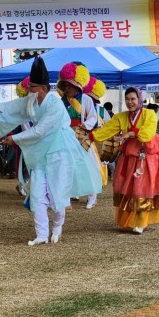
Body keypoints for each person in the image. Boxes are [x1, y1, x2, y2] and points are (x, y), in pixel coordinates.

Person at [0, 57, 101, 245]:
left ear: (44, 89)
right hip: (40, 154)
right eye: (29, 86)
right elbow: (9, 108)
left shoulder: (55, 105)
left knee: (57, 194)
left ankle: (57, 227)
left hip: (59, 151)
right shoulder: (30, 101)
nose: (29, 90)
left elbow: (41, 130)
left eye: (33, 87)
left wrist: (13, 138)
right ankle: (41, 234)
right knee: (37, 194)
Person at [90, 86, 159, 234]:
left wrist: (130, 134)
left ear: (139, 99)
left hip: (148, 156)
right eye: (127, 99)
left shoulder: (149, 114)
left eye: (133, 99)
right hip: (131, 156)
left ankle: (141, 221)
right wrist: (91, 137)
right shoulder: (121, 117)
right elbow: (107, 129)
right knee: (130, 187)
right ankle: (132, 219)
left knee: (143, 188)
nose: (130, 102)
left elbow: (147, 133)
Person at [57, 62, 101, 210]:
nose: (67, 88)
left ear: (77, 85)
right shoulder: (61, 102)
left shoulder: (87, 99)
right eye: (65, 85)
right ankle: (67, 197)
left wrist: (85, 125)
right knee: (67, 167)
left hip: (82, 136)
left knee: (87, 166)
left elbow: (93, 117)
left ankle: (92, 197)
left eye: (69, 85)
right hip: (67, 136)